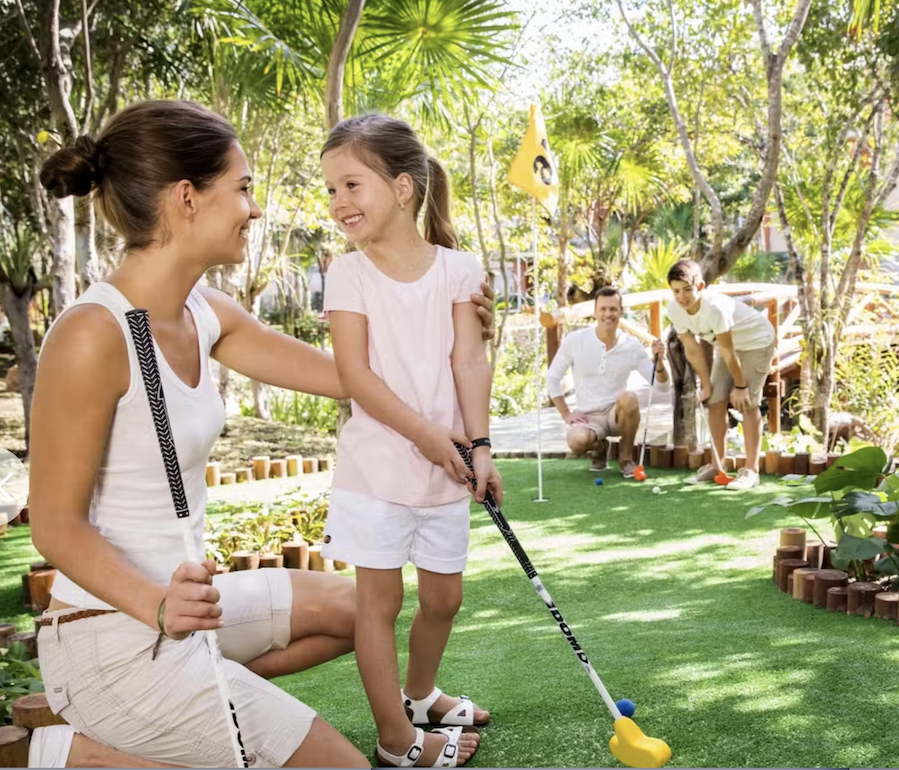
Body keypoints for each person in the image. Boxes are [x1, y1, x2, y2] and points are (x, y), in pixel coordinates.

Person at [27, 100, 497, 769]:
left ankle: (208, 710)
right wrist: (154, 604)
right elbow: (54, 525)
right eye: (242, 188)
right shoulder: (89, 335)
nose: (254, 208)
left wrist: (464, 329)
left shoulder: (204, 310)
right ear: (187, 198)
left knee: (358, 611)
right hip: (114, 635)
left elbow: (351, 377)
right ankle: (86, 751)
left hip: (189, 612)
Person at [320, 114, 502, 768]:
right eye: (332, 190)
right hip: (375, 472)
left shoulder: (458, 269)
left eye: (351, 185)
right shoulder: (349, 275)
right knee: (380, 603)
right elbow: (355, 377)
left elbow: (468, 362)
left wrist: (477, 444)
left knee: (444, 598)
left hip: (444, 467)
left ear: (401, 189)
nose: (339, 203)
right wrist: (431, 436)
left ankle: (420, 695)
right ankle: (396, 740)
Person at [666, 259, 775, 490]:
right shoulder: (674, 308)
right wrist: (705, 385)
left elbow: (727, 350)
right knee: (714, 399)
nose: (682, 296)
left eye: (687, 290)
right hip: (729, 349)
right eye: (676, 291)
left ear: (701, 287)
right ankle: (718, 465)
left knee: (747, 403)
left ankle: (751, 470)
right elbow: (692, 349)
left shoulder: (714, 308)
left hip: (756, 342)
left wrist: (741, 386)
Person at [546, 287, 669, 478]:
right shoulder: (575, 340)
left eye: (613, 309)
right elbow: (552, 377)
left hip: (616, 414)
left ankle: (626, 459)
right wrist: (566, 414)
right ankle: (600, 447)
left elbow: (661, 386)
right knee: (576, 441)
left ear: (621, 311)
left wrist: (659, 363)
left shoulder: (632, 346)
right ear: (595, 312)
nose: (608, 314)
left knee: (628, 397)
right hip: (589, 418)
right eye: (603, 309)